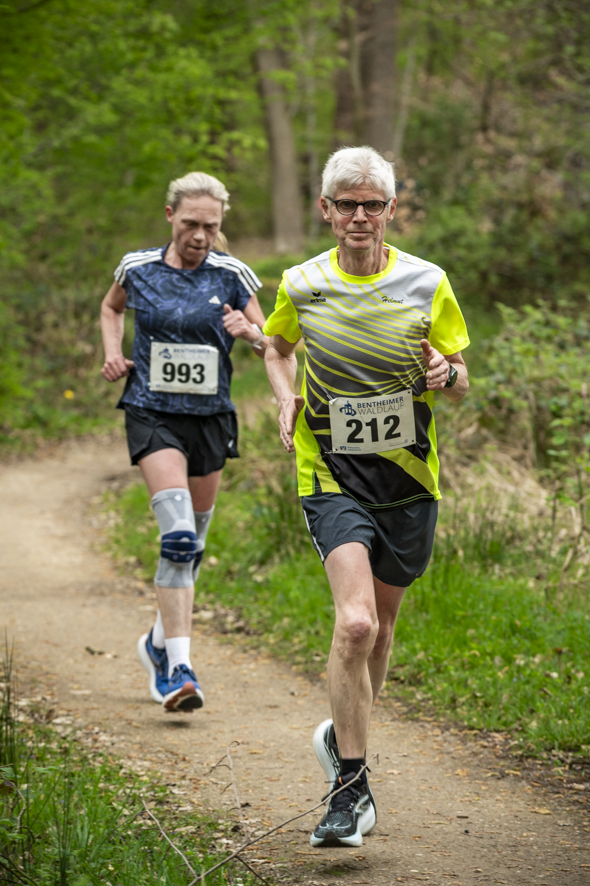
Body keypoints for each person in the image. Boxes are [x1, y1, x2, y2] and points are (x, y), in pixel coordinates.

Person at [263, 146, 469, 848]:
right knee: (354, 625)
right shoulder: (302, 283)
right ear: (326, 209)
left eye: (372, 204)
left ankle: (344, 735)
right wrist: (285, 397)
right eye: (346, 204)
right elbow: (277, 346)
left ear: (390, 210)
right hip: (330, 475)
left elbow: (459, 376)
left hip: (408, 481)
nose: (359, 215)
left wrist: (446, 373)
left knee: (380, 630)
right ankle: (350, 788)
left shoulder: (426, 281)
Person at [100, 171, 267, 713]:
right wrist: (113, 352)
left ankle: (156, 642)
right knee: (176, 538)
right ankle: (179, 668)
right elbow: (111, 307)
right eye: (191, 223)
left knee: (192, 545)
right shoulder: (137, 267)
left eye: (211, 227)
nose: (200, 236)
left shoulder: (233, 274)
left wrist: (251, 334)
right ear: (170, 215)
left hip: (210, 419)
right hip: (152, 412)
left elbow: (273, 344)